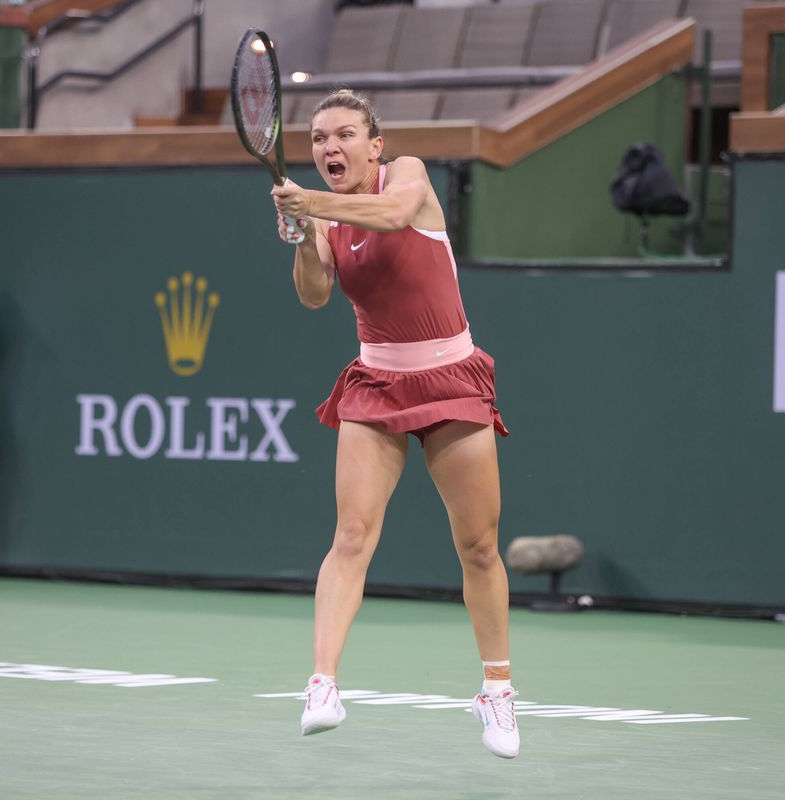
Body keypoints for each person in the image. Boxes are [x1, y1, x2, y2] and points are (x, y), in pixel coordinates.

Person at [270, 90, 519, 758]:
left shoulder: (406, 175)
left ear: (375, 145)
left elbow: (394, 214)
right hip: (376, 381)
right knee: (351, 535)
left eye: (345, 134)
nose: (330, 147)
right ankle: (322, 684)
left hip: (450, 376)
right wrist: (302, 237)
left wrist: (309, 204)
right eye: (319, 138)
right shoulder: (325, 215)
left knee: (478, 545)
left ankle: (497, 690)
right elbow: (314, 294)